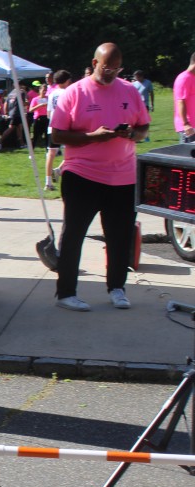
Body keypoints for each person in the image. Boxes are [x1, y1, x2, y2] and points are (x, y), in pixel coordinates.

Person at [50, 43, 150, 312]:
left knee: (120, 235)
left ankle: (117, 287)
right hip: (82, 173)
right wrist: (92, 137)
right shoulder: (74, 92)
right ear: (94, 63)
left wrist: (132, 134)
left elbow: (143, 127)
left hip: (123, 175)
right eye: (107, 67)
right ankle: (66, 292)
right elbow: (57, 135)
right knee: (74, 234)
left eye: (117, 68)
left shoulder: (129, 90)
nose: (111, 73)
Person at [44, 70, 72, 190]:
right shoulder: (68, 92)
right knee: (70, 153)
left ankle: (48, 182)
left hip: (53, 125)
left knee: (51, 154)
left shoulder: (52, 94)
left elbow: (48, 113)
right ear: (67, 81)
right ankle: (60, 171)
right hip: (65, 126)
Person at [173, 51, 195, 144]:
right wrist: (185, 124)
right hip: (188, 128)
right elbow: (181, 102)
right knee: (188, 153)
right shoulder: (184, 78)